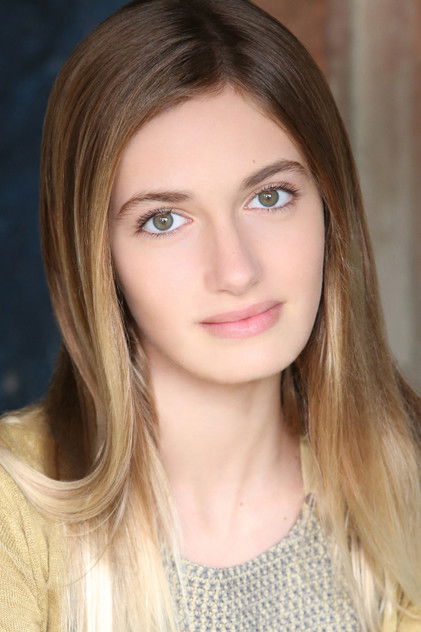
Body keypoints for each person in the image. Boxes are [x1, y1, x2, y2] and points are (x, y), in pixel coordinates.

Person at [0, 0, 420, 630]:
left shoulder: (407, 487)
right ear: (94, 256)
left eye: (270, 196)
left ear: (331, 207)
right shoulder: (13, 515)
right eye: (164, 220)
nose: (236, 270)